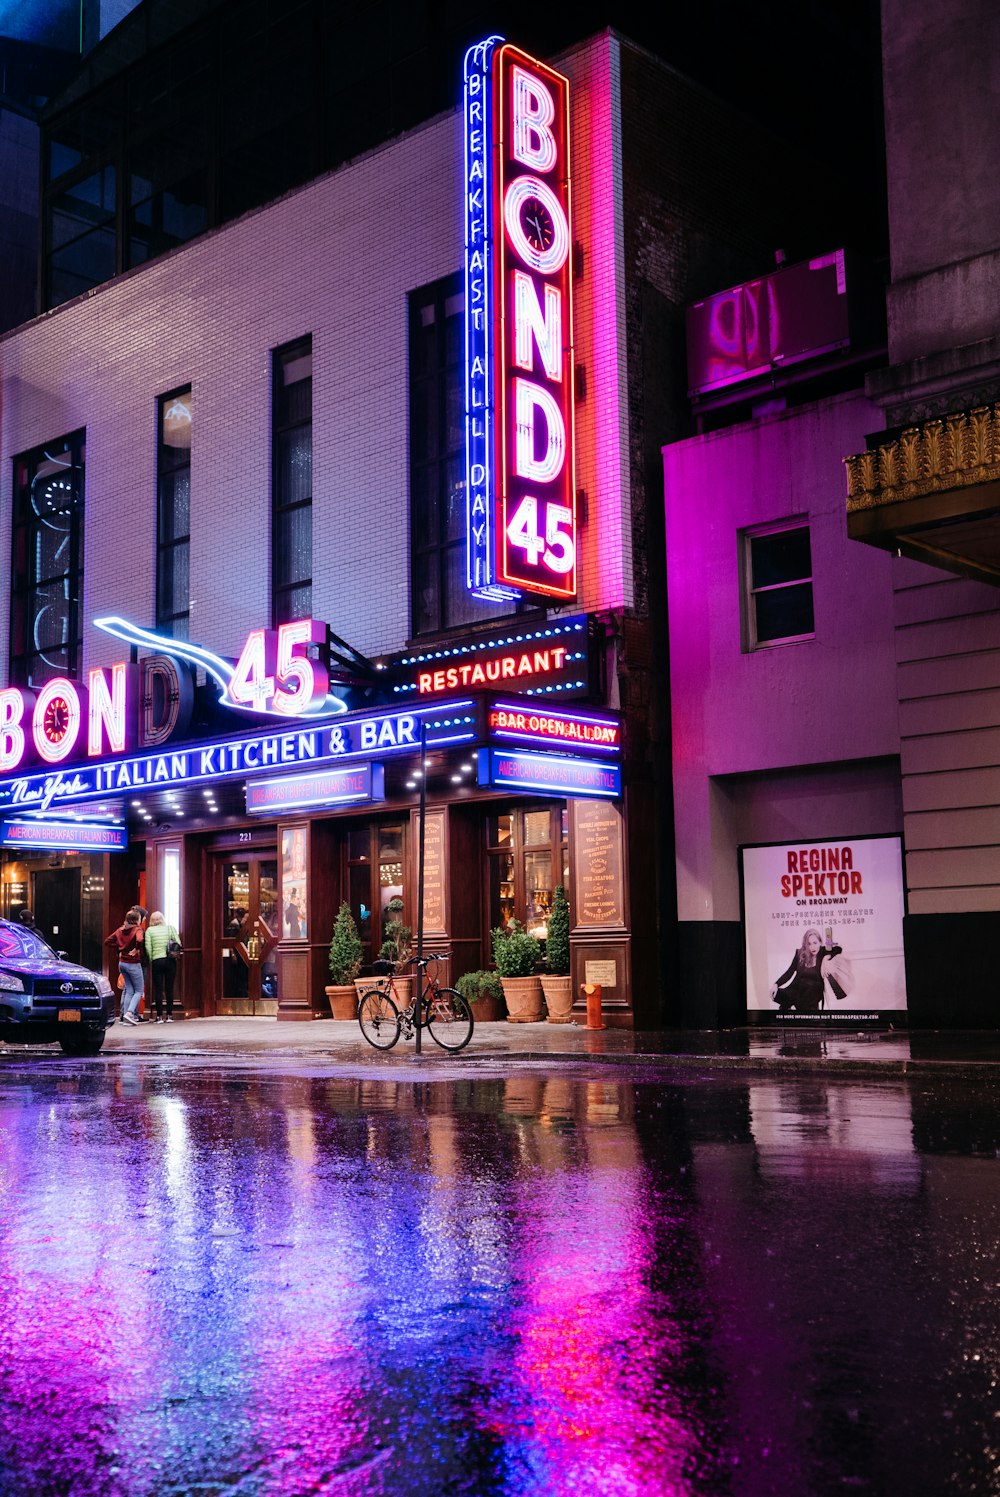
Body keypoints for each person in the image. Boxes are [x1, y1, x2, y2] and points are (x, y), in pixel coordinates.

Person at [770, 928, 843, 1015]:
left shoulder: (823, 951)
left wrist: (826, 957)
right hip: (796, 990)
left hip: (813, 992)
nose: (812, 947)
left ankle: (791, 1005)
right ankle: (791, 1005)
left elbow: (839, 949)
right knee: (776, 993)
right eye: (809, 944)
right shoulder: (800, 953)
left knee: (801, 1001)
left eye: (815, 943)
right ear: (805, 945)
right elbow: (790, 971)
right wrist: (776, 984)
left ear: (820, 942)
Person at [105, 908, 145, 1025]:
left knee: (129, 990)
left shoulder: (120, 930)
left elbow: (107, 941)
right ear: (137, 919)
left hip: (122, 963)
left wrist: (120, 948)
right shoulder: (137, 929)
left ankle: (125, 1018)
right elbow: (140, 939)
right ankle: (130, 1013)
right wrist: (136, 949)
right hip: (133, 963)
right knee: (138, 990)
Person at [145, 910, 180, 1023]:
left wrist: (152, 959)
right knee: (169, 988)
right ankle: (170, 1015)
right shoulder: (170, 928)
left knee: (158, 989)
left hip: (157, 961)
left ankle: (159, 1016)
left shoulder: (149, 931)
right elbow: (178, 943)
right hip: (170, 960)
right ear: (162, 919)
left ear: (152, 920)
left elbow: (148, 948)